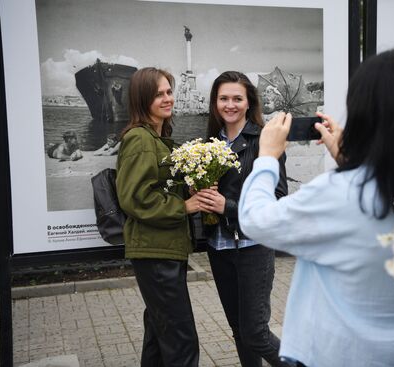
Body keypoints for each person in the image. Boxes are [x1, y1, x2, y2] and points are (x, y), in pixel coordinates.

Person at [238, 48, 394, 366]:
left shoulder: (338, 194)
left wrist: (267, 157)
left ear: (362, 113)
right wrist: (353, 161)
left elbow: (256, 220)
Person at [195, 71, 289, 367]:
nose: (230, 105)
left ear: (249, 103)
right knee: (239, 330)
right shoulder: (207, 143)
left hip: (253, 246)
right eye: (224, 98)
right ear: (215, 103)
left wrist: (228, 205)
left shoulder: (264, 140)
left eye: (237, 98)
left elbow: (278, 198)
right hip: (219, 247)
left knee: (257, 332)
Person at [116, 67, 200, 367]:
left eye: (168, 91)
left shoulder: (159, 137)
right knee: (182, 341)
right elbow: (135, 198)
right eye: (158, 94)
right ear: (142, 99)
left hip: (164, 249)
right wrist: (184, 207)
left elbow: (156, 187)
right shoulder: (140, 139)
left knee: (159, 333)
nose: (168, 99)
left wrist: (186, 187)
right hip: (155, 252)